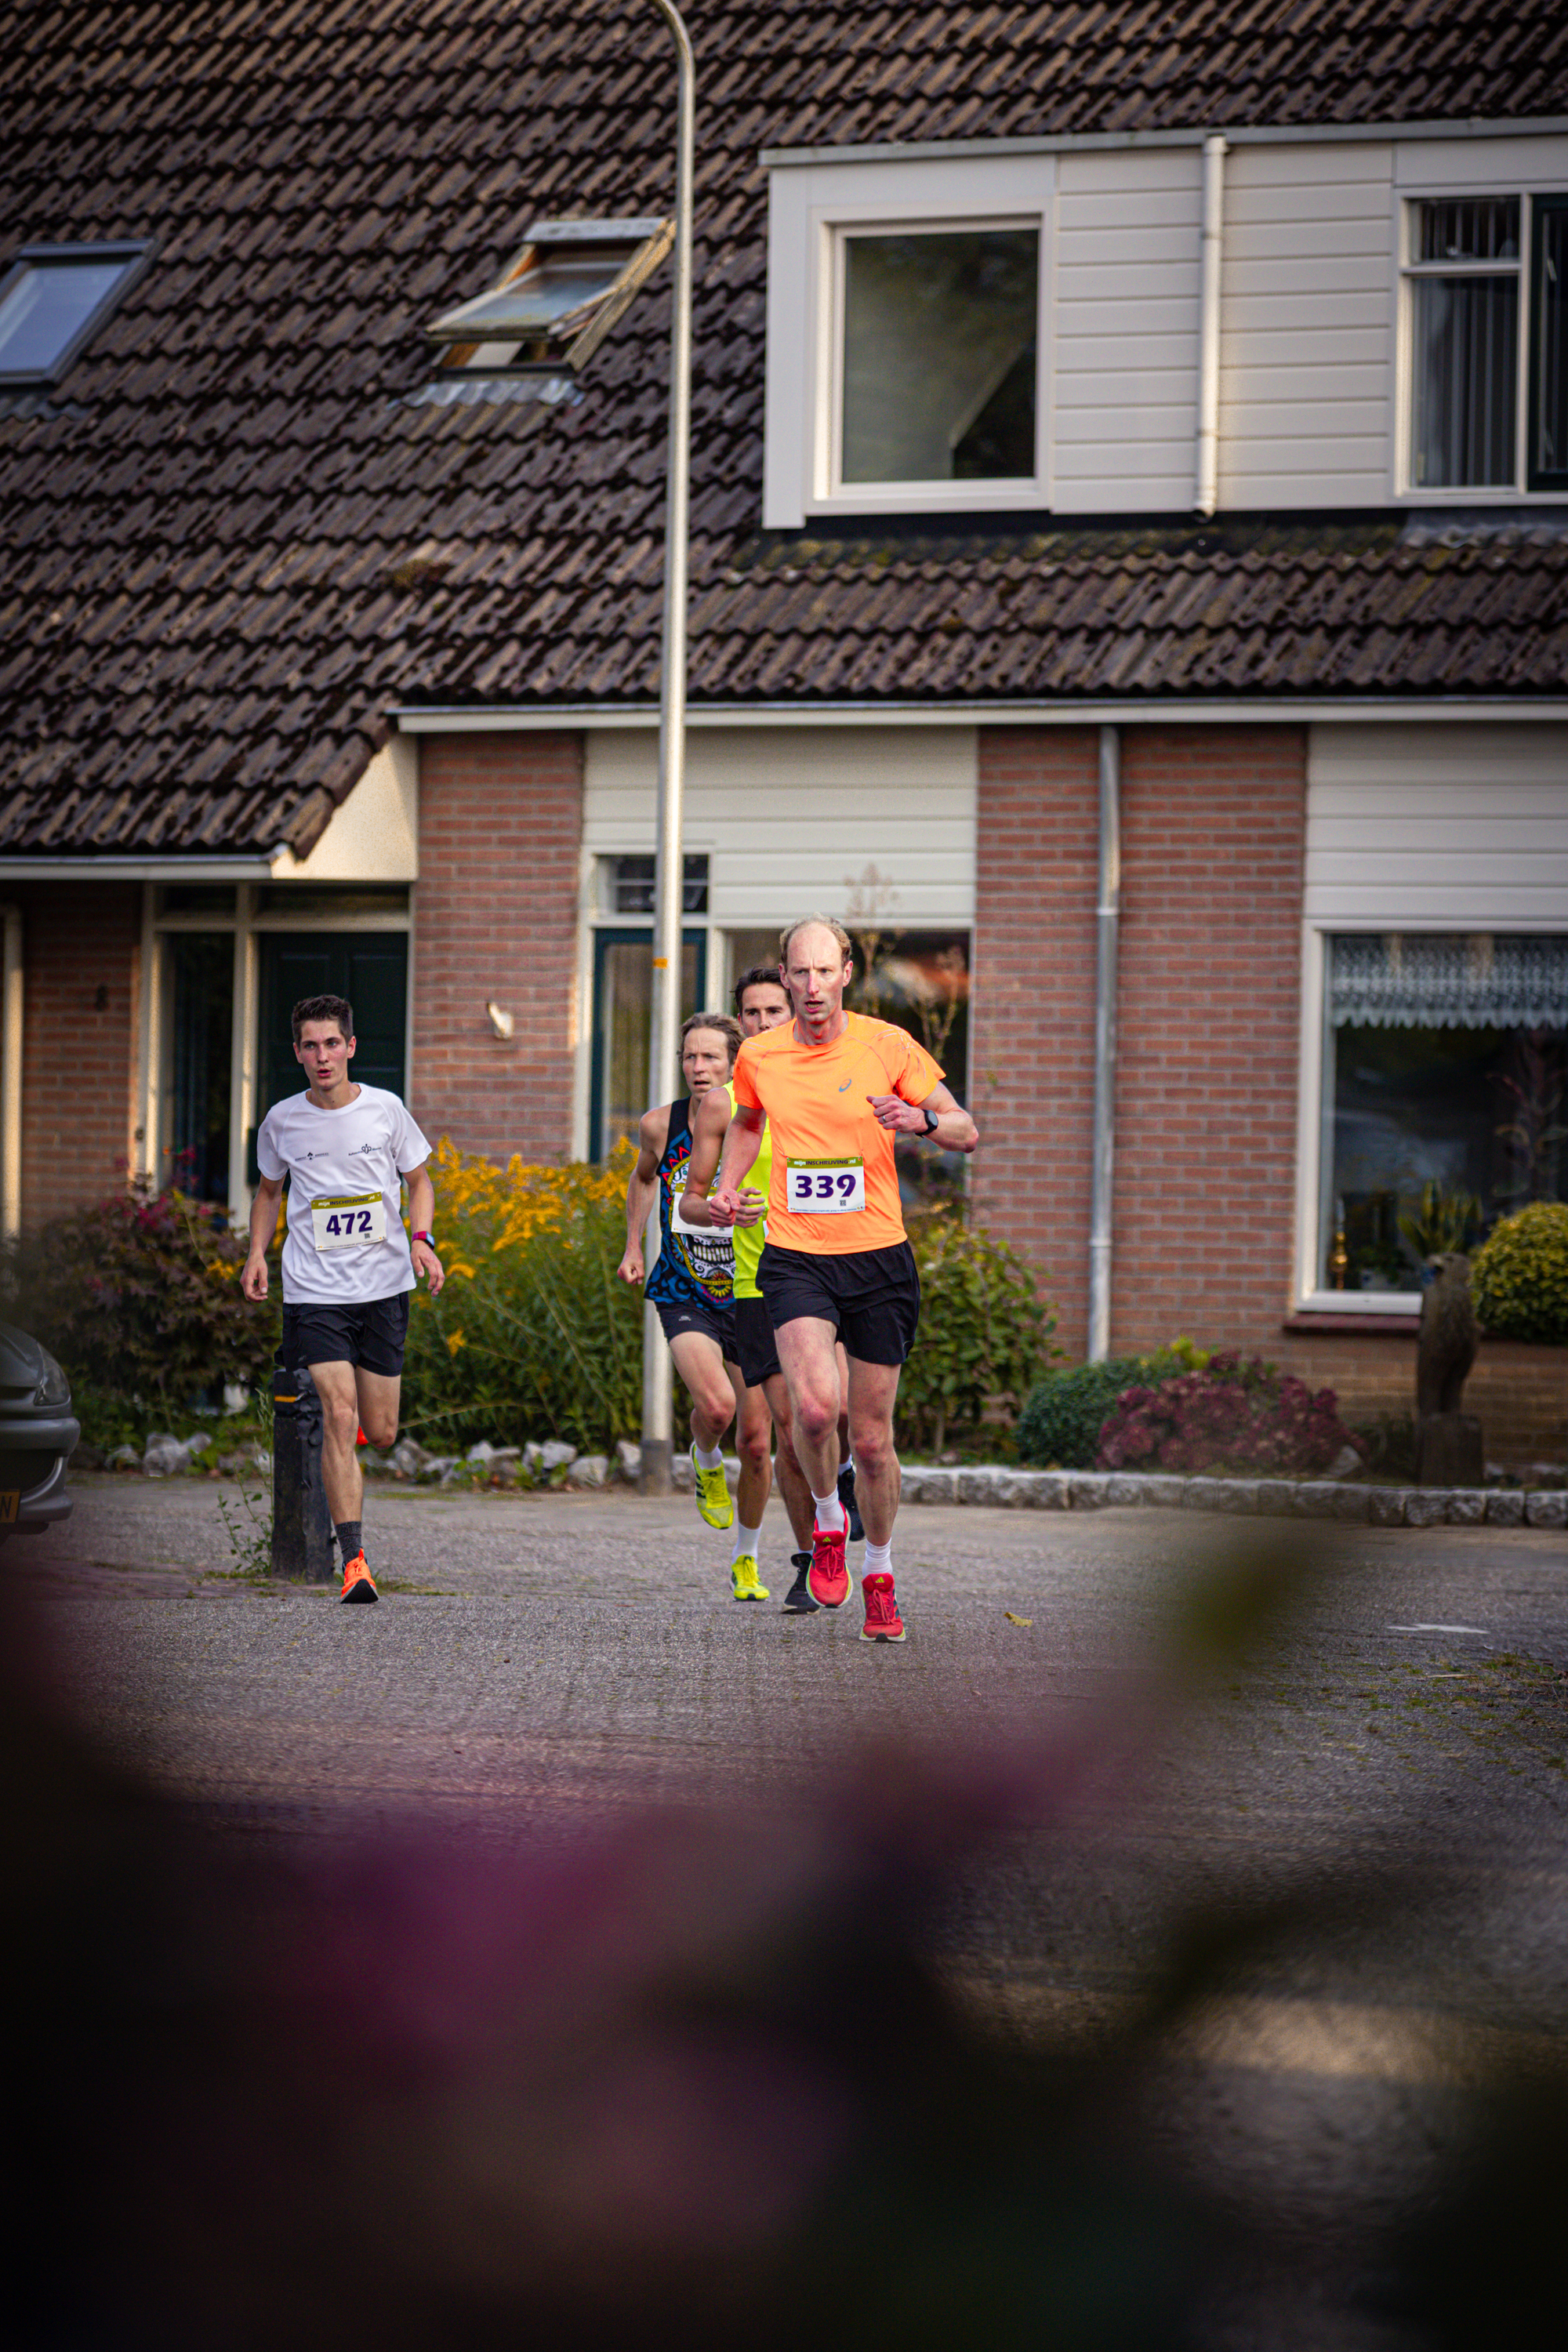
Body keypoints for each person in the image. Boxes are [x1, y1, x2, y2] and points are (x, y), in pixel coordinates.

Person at [709, 916, 978, 1642]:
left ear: (847, 974)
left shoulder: (887, 1045)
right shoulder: (761, 1056)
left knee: (871, 1440)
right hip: (795, 1257)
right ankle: (830, 1522)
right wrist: (729, 1188)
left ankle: (882, 1576)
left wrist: (919, 1118)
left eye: (825, 972)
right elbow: (746, 1124)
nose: (812, 986)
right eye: (800, 972)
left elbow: (965, 1129)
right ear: (787, 976)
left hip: (879, 1261)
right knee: (814, 1414)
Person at [242, 993, 445, 1604]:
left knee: (379, 1431)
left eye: (333, 1043)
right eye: (310, 1045)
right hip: (314, 1291)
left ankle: (348, 1454)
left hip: (383, 1289)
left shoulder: (386, 1111)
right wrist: (256, 1252)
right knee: (339, 1411)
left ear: (351, 1047)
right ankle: (354, 1562)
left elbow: (420, 1181)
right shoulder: (281, 1121)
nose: (322, 1055)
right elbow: (269, 1192)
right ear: (298, 1052)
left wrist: (422, 1240)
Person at [681, 964, 855, 1614]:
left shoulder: (830, 1084)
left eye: (771, 1013)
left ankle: (841, 1485)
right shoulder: (726, 1103)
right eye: (749, 1015)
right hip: (758, 1282)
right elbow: (694, 1203)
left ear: (796, 1014)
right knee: (789, 1425)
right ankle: (813, 1559)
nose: (760, 1024)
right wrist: (721, 1210)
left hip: (835, 1272)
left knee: (832, 1411)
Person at [615, 1012, 775, 1601]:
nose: (699, 1068)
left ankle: (747, 1558)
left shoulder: (757, 1121)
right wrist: (634, 1244)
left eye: (711, 1058)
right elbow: (642, 1180)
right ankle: (704, 1454)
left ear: (736, 1063)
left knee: (757, 1443)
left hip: (751, 1293)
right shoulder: (660, 1125)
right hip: (686, 1290)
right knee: (716, 1405)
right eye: (690, 1057)